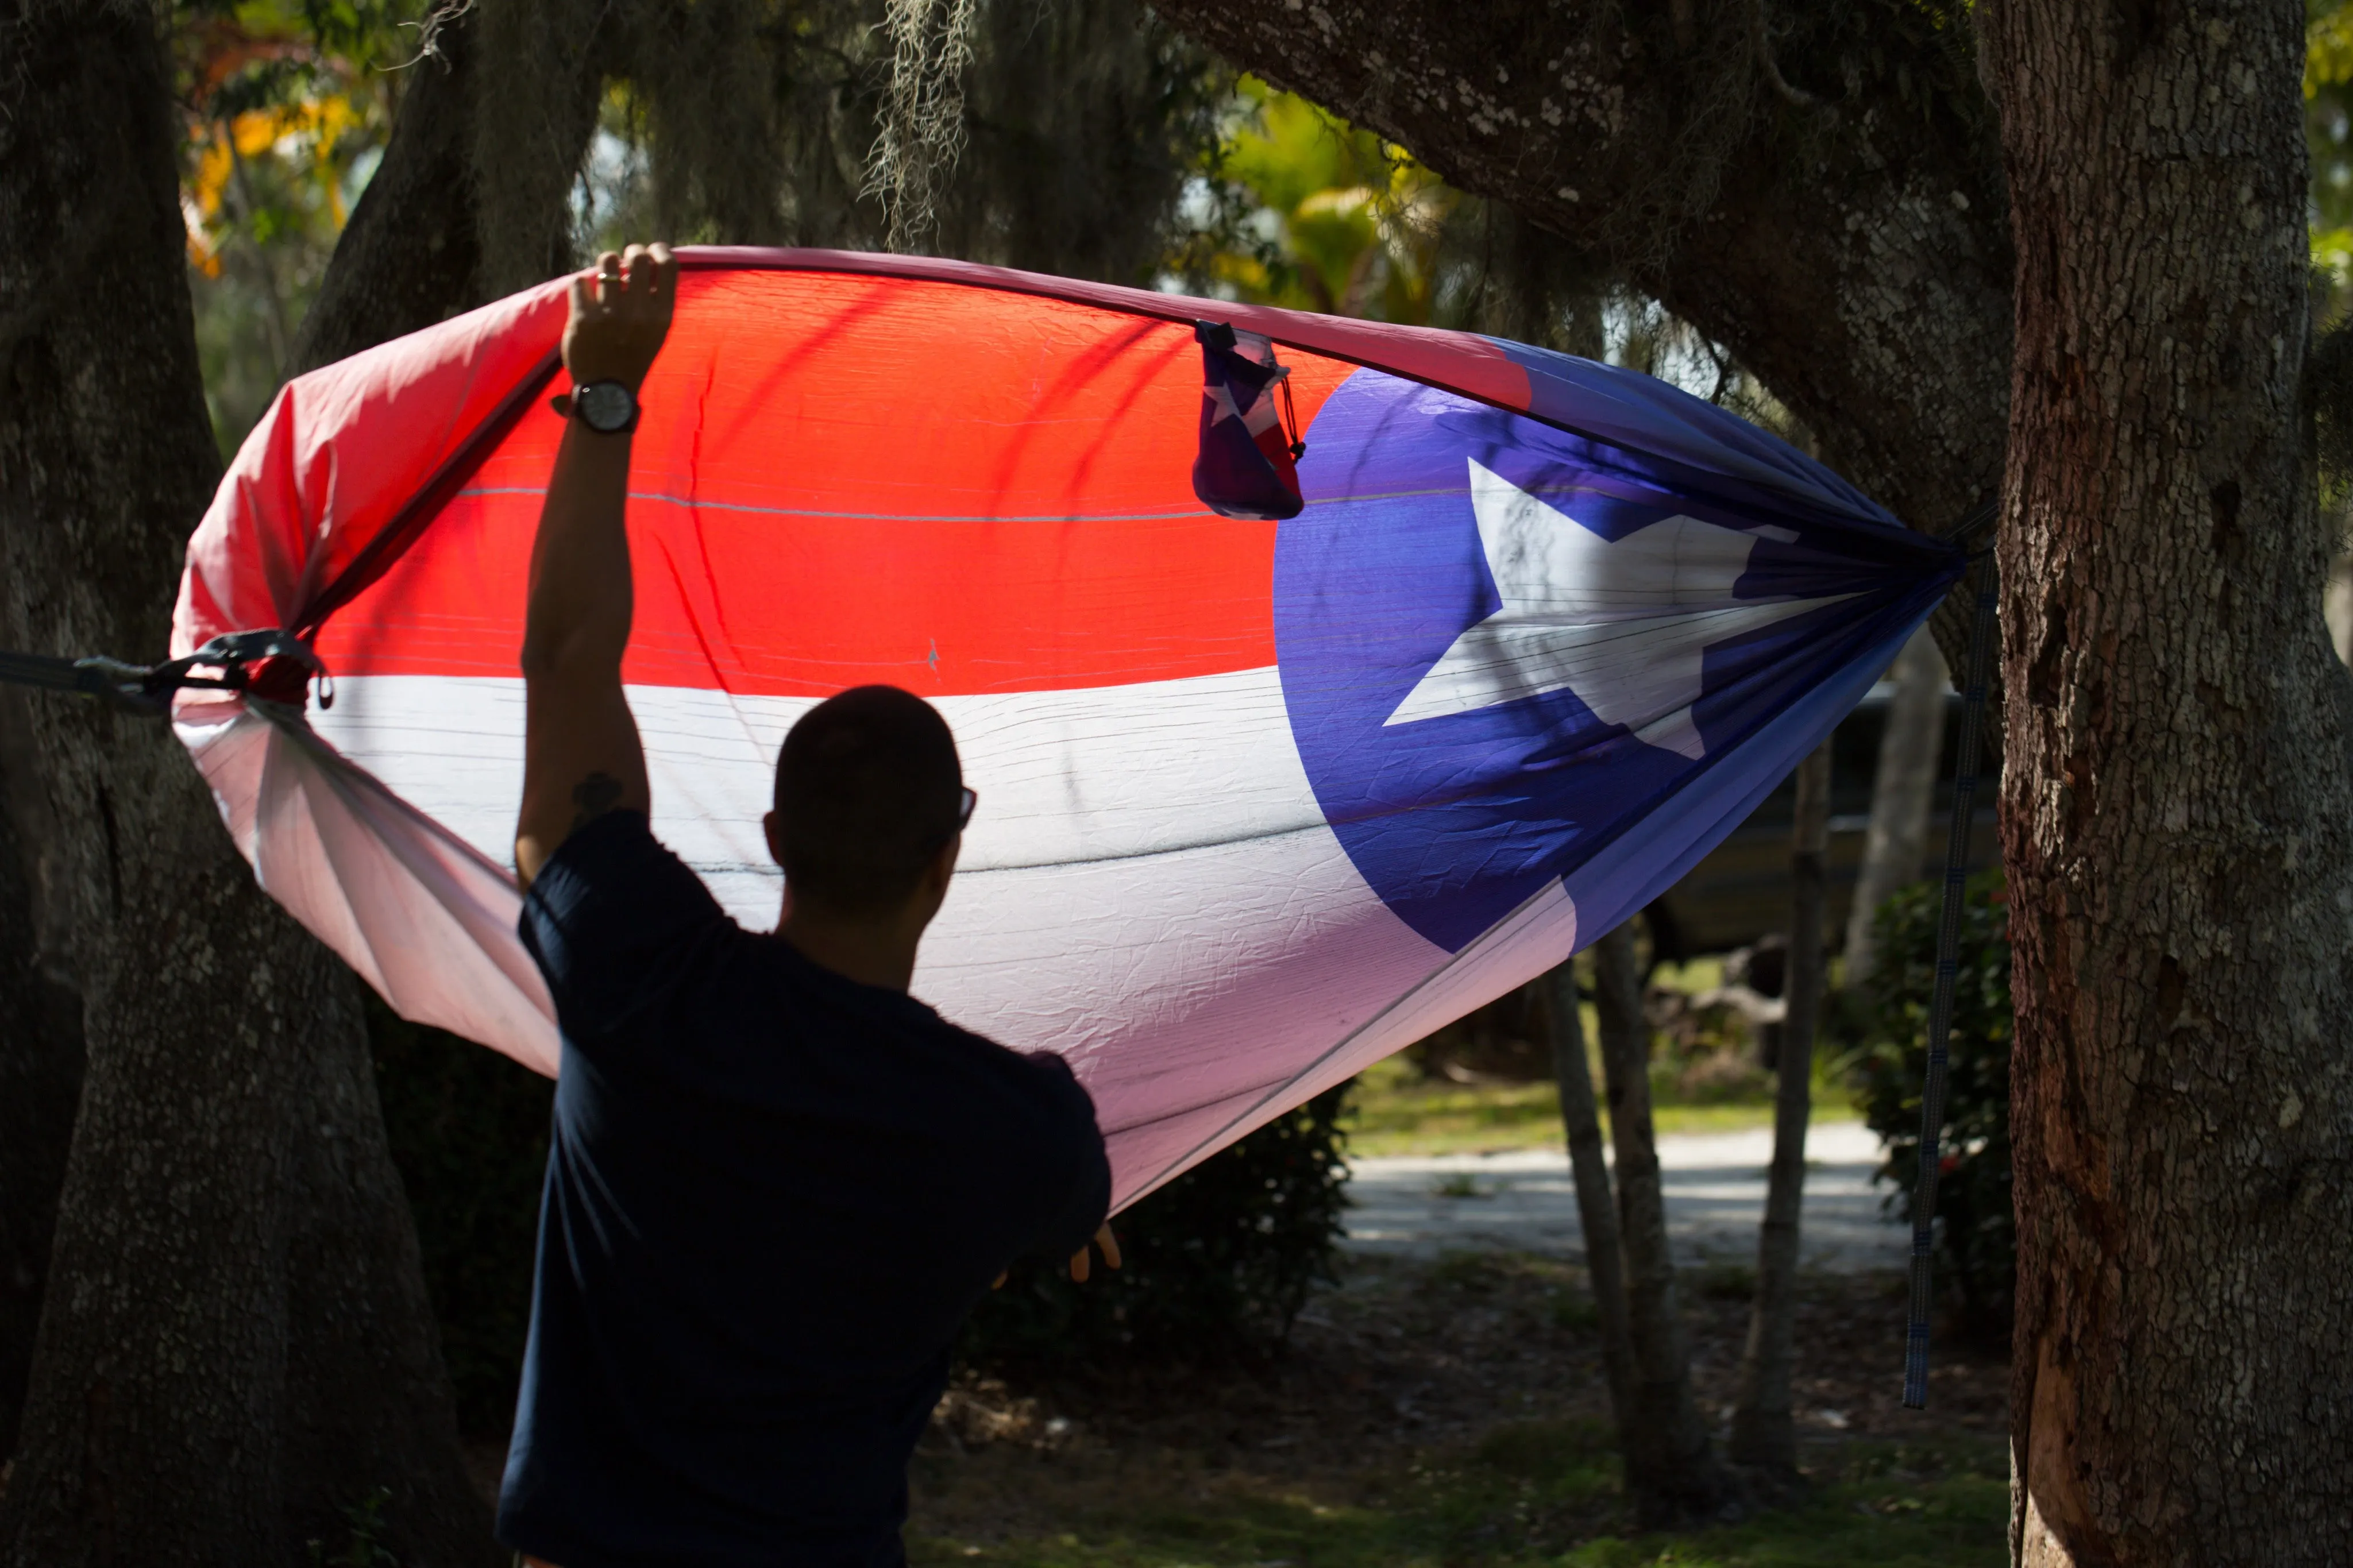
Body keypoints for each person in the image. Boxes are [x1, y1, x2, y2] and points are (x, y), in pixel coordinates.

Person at [497, 242, 1116, 1567]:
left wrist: (605, 394)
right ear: (945, 862)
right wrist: (1067, 1193)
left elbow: (564, 659)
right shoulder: (1015, 1137)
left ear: (774, 840)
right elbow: (1063, 1196)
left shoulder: (635, 972)